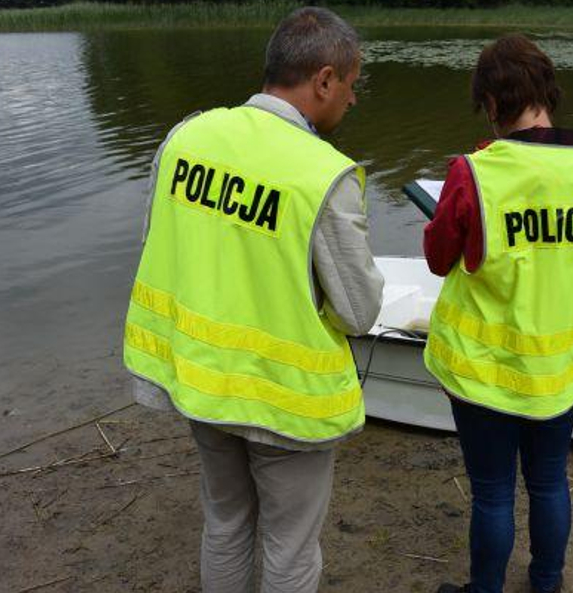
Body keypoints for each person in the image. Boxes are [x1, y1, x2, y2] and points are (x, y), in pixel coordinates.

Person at [122, 7, 383, 593]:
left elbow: (159, 243)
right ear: (322, 80)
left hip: (203, 380)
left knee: (226, 521)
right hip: (285, 400)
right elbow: (360, 311)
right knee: (290, 548)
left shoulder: (186, 136)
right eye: (351, 82)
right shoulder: (322, 172)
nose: (353, 98)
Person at [423, 34, 573, 593]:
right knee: (548, 481)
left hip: (488, 368)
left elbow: (439, 257)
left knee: (492, 491)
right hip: (566, 365)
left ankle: (485, 588)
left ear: (491, 105)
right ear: (549, 94)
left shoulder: (476, 172)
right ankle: (546, 582)